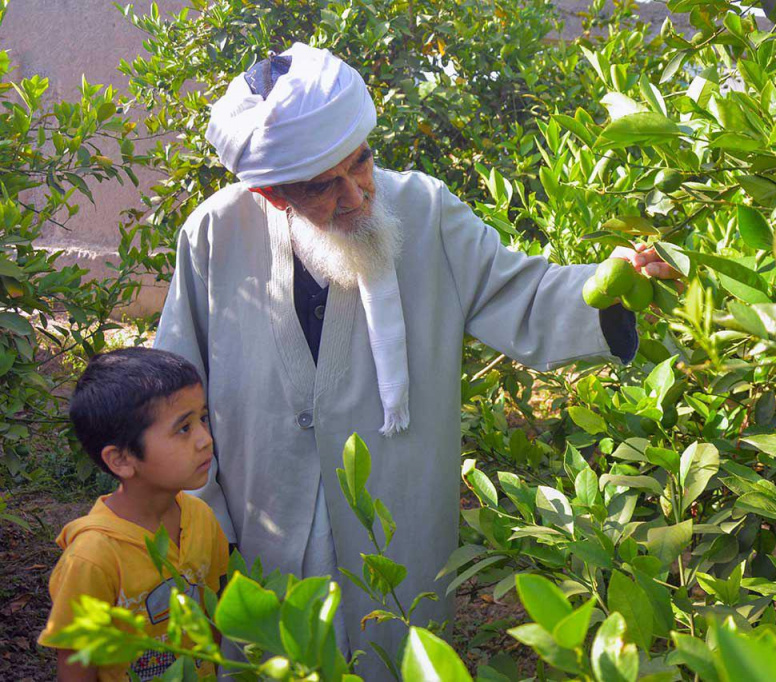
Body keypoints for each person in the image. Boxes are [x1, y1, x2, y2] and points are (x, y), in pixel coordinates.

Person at [153, 42, 679, 678]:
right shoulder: (213, 234)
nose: (354, 196)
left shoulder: (426, 211)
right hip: (259, 508)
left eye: (361, 164)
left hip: (394, 507)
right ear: (270, 193)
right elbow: (176, 384)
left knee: (396, 652)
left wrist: (614, 283)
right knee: (271, 654)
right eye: (323, 187)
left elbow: (521, 292)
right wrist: (201, 517)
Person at [38, 348, 230, 681]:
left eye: (202, 418)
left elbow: (212, 623)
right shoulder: (93, 557)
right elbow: (76, 665)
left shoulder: (202, 519)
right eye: (183, 428)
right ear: (122, 460)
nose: (205, 439)